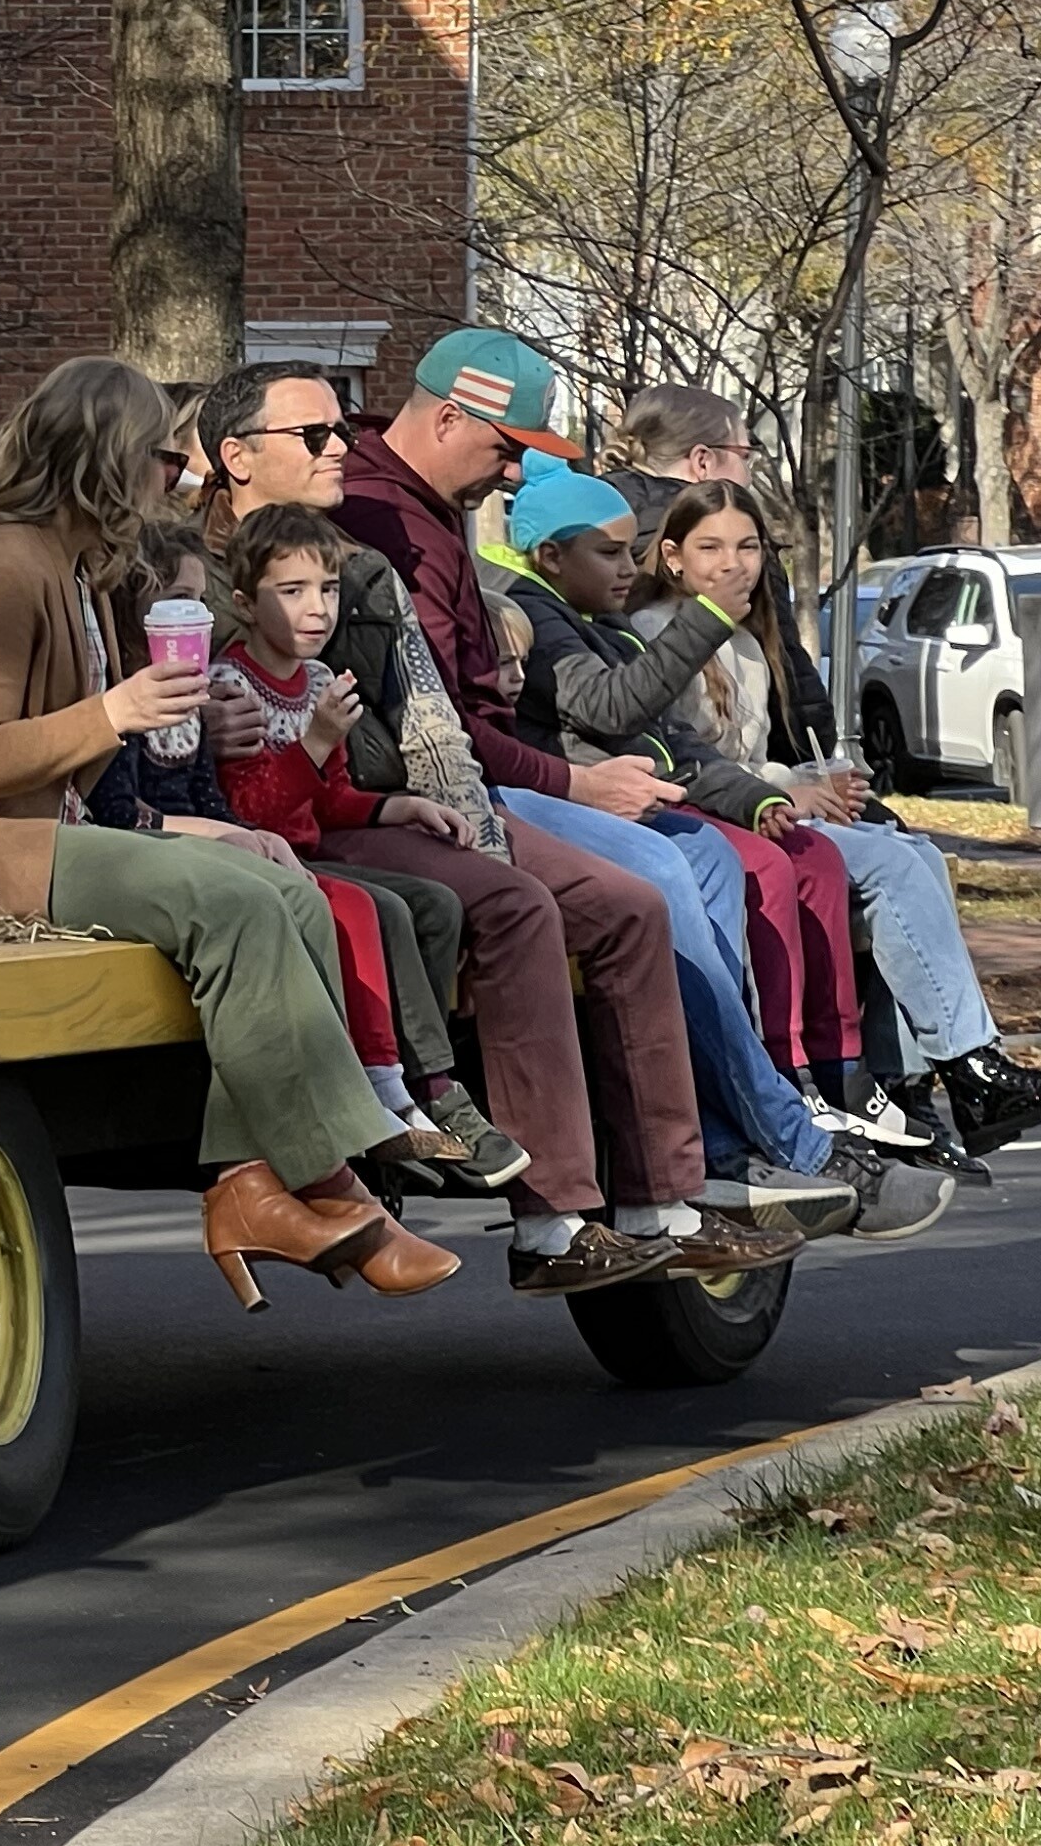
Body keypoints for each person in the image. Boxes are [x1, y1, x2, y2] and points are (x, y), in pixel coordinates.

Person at [0, 355, 456, 1307]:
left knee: (284, 890)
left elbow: (84, 762)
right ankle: (333, 1178)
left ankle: (251, 1180)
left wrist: (156, 728)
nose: (173, 484)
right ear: (107, 461)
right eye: (162, 463)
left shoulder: (78, 574)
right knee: (226, 899)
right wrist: (119, 711)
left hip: (41, 833)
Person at [186, 362, 786, 1278]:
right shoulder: (175, 565)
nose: (341, 448)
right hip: (266, 826)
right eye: (315, 437)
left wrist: (471, 820)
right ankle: (550, 1216)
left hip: (376, 802)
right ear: (234, 457)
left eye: (340, 430)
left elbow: (430, 721)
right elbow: (132, 705)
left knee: (628, 906)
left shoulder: (368, 567)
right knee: (516, 907)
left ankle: (664, 1202)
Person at [333, 331, 858, 1251]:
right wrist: (573, 776)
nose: (509, 476)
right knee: (632, 887)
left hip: (477, 779)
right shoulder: (381, 519)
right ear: (449, 416)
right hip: (432, 791)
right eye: (506, 450)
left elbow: (489, 707)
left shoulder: (428, 510)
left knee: (687, 872)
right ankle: (671, 1178)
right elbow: (443, 726)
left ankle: (675, 1187)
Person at [503, 462, 881, 1226]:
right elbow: (614, 708)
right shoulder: (536, 617)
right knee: (675, 871)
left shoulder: (597, 621)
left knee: (757, 858)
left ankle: (804, 1097)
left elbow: (675, 744)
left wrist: (761, 797)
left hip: (647, 806)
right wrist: (706, 615)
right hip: (567, 811)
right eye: (610, 553)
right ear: (551, 557)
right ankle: (775, 1129)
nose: (628, 565)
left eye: (627, 548)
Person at [640, 481, 1041, 1173]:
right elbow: (690, 759)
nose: (732, 564)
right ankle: (948, 1070)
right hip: (713, 815)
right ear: (672, 557)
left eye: (747, 547)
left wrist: (810, 781)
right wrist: (790, 787)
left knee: (911, 851)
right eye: (710, 548)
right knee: (888, 869)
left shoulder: (747, 634)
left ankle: (948, 1072)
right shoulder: (658, 632)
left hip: (764, 800)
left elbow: (751, 751)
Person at [200, 501, 524, 1190]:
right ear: (244, 604)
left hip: (308, 848)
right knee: (367, 908)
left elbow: (330, 798)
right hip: (259, 858)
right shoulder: (232, 686)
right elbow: (248, 807)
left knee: (433, 904)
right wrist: (314, 741)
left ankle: (424, 1077)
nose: (315, 609)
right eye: (290, 593)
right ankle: (392, 1086)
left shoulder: (318, 681)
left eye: (326, 590)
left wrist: (400, 805)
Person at [606, 385, 832, 753]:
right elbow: (790, 689)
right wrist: (808, 763)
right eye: (744, 454)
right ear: (703, 461)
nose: (731, 562)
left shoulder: (590, 522)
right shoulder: (733, 527)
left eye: (747, 548)